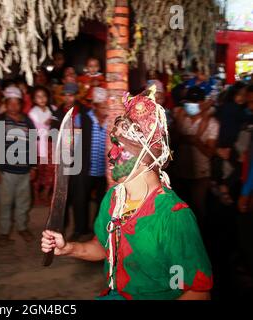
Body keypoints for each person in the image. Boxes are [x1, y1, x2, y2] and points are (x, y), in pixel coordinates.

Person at [41, 85, 213, 300]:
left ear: (147, 155)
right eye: (113, 143)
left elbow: (197, 291)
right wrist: (68, 248)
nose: (111, 154)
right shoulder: (114, 199)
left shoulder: (173, 216)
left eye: (121, 146)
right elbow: (103, 246)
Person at [0, 87, 37, 246]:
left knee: (23, 202)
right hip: (5, 171)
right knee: (5, 203)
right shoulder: (0, 120)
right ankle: (4, 232)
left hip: (24, 170)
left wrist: (33, 167)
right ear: (6, 104)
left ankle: (22, 227)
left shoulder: (27, 121)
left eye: (17, 103)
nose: (14, 106)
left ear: (21, 104)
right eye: (10, 103)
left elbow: (32, 144)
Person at [173, 86, 219, 229]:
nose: (192, 106)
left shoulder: (212, 124)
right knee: (180, 211)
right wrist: (183, 138)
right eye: (189, 103)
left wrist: (196, 142)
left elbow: (210, 153)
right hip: (180, 172)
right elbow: (172, 143)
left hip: (200, 173)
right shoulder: (181, 119)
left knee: (198, 208)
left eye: (195, 103)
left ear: (202, 103)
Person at [68, 87, 108, 241]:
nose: (106, 109)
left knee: (102, 202)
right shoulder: (83, 118)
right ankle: (79, 230)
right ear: (95, 106)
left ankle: (97, 231)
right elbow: (74, 141)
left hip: (104, 170)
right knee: (80, 200)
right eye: (102, 106)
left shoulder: (111, 120)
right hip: (85, 169)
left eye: (107, 106)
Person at [28, 86, 57, 205]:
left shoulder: (53, 109)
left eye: (44, 96)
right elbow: (33, 130)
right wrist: (45, 125)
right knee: (38, 172)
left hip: (51, 146)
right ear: (34, 99)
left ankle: (46, 193)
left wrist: (53, 122)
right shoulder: (32, 113)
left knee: (50, 171)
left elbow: (58, 122)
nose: (42, 99)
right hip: (38, 147)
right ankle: (35, 195)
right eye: (38, 97)